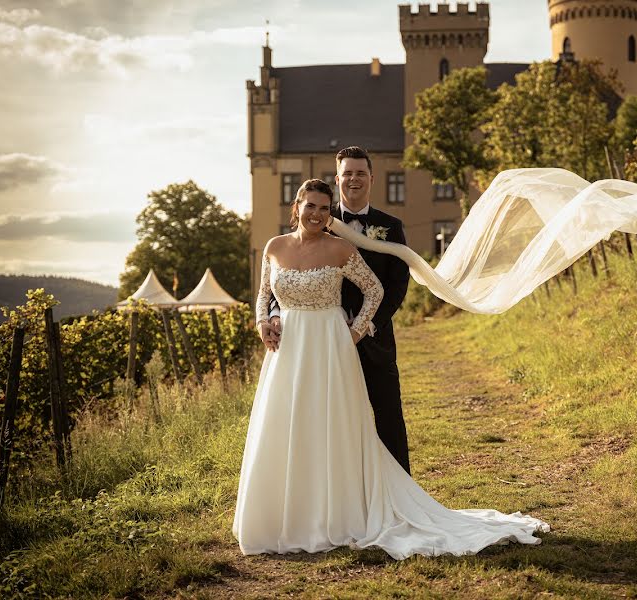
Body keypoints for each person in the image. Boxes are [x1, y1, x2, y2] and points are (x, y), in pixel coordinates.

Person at [232, 178, 549, 559]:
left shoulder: (340, 248)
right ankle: (289, 514)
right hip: (287, 351)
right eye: (309, 205)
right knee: (289, 423)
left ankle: (336, 512)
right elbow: (264, 295)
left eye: (323, 207)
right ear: (296, 206)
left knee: (333, 424)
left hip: (331, 345)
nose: (316, 214)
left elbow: (374, 290)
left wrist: (354, 331)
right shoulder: (274, 247)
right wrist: (262, 322)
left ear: (329, 212)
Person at [262, 146, 412, 474]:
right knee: (325, 421)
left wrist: (365, 326)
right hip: (317, 343)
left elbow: (397, 285)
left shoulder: (391, 226)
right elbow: (285, 279)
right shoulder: (317, 220)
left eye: (360, 173)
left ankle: (399, 492)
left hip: (371, 339)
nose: (353, 179)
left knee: (388, 417)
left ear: (371, 178)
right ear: (338, 178)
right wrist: (273, 314)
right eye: (347, 173)